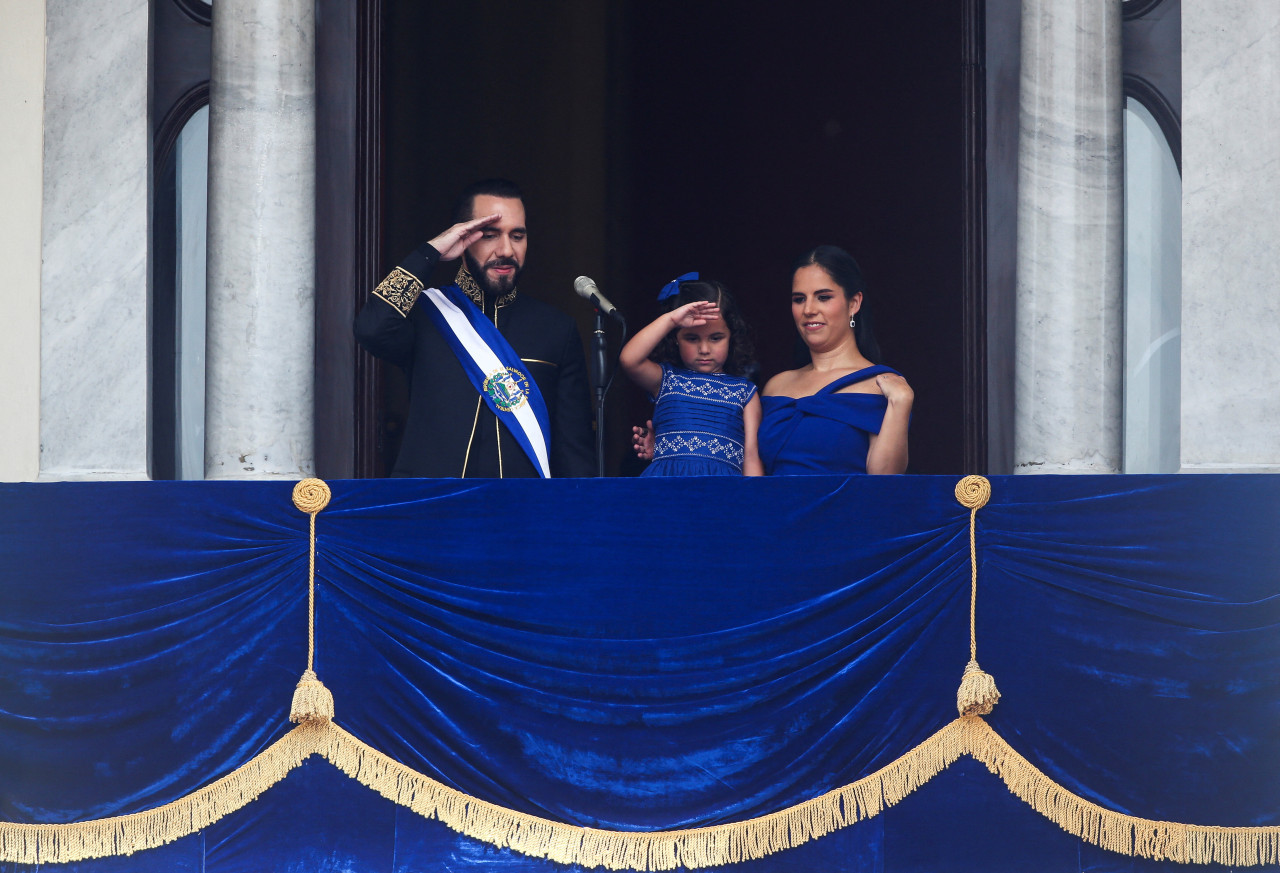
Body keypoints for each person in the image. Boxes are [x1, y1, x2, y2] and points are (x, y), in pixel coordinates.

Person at [354, 179, 594, 478]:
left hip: (523, 514)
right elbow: (371, 329)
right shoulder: (425, 314)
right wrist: (430, 252)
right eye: (490, 235)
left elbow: (573, 451)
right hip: (435, 510)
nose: (506, 249)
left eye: (517, 236)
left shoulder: (556, 328)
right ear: (463, 237)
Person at [757, 245, 912, 474]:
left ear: (854, 303)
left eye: (823, 297)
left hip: (842, 510)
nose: (808, 309)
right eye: (799, 299)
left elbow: (884, 485)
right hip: (774, 510)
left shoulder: (882, 385)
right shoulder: (775, 386)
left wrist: (901, 402)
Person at [619, 275, 762, 477]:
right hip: (665, 489)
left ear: (732, 336)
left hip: (721, 492)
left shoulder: (744, 392)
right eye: (692, 338)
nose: (704, 349)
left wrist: (755, 504)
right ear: (675, 339)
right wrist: (671, 319)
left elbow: (751, 455)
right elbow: (629, 359)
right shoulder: (666, 379)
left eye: (716, 338)